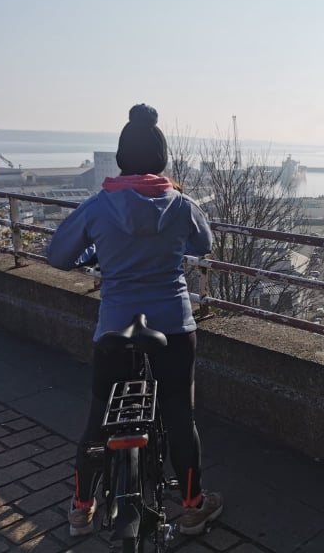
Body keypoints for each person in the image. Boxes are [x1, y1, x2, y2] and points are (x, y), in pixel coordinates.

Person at [47, 103, 222, 537]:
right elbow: (206, 245)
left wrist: (97, 254)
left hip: (116, 324)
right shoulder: (181, 205)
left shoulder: (99, 205)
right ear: (162, 160)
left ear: (122, 159)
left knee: (99, 416)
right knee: (179, 413)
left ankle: (81, 508)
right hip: (173, 325)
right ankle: (193, 505)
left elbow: (57, 256)